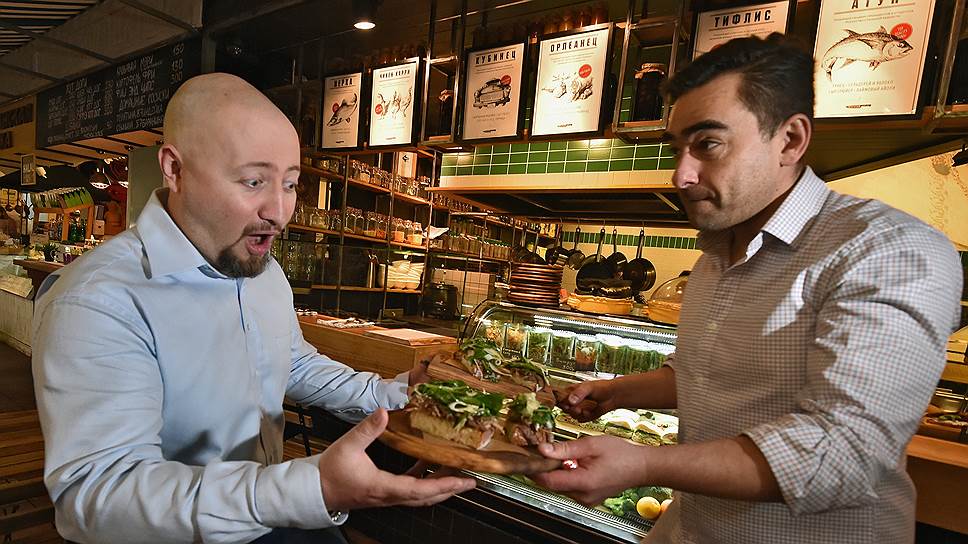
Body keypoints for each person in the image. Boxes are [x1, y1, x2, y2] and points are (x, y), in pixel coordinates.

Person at [533, 34, 962, 543]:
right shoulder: (715, 256)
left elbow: (845, 451)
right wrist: (616, 393)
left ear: (790, 140)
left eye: (707, 144)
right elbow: (704, 373)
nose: (681, 175)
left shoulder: (885, 249)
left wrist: (645, 463)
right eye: (677, 149)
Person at [31, 73, 474, 544]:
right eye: (253, 181)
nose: (278, 212)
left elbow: (291, 361)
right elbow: (98, 498)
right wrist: (308, 489)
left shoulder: (262, 270)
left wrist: (398, 395)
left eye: (290, 184)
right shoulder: (100, 299)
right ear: (174, 169)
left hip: (270, 512)